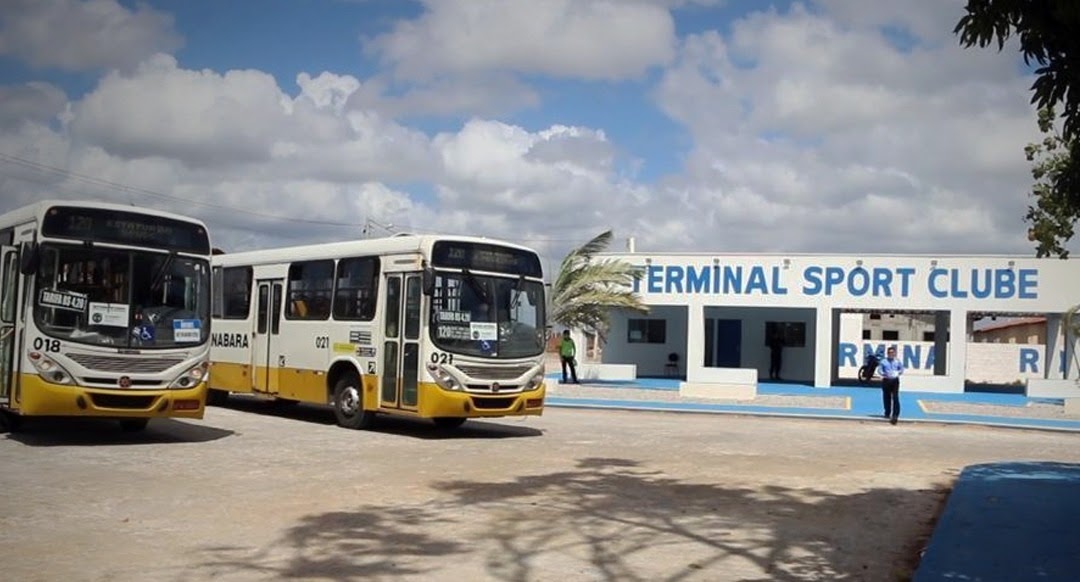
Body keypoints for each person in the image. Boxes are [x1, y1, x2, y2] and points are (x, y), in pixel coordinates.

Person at [878, 346, 904, 425]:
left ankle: (895, 414)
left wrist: (898, 372)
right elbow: (879, 370)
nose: (891, 354)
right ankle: (887, 412)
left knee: (895, 397)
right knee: (886, 397)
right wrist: (883, 374)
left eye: (892, 353)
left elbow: (901, 369)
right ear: (887, 353)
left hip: (895, 381)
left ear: (895, 353)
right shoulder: (883, 361)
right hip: (886, 380)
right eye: (889, 353)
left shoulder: (897, 361)